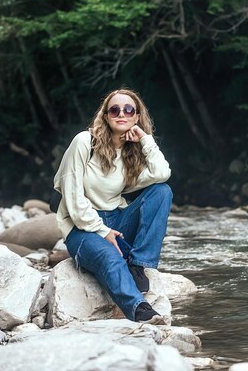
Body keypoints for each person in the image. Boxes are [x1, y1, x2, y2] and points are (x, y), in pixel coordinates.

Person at [53, 88, 172, 324]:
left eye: (129, 110)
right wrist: (102, 231)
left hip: (117, 221)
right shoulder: (84, 142)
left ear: (137, 116)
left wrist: (145, 139)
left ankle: (138, 265)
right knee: (111, 258)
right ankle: (140, 310)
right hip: (81, 228)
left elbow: (162, 174)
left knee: (161, 192)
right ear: (105, 115)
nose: (121, 114)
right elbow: (73, 200)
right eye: (114, 109)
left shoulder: (131, 153)